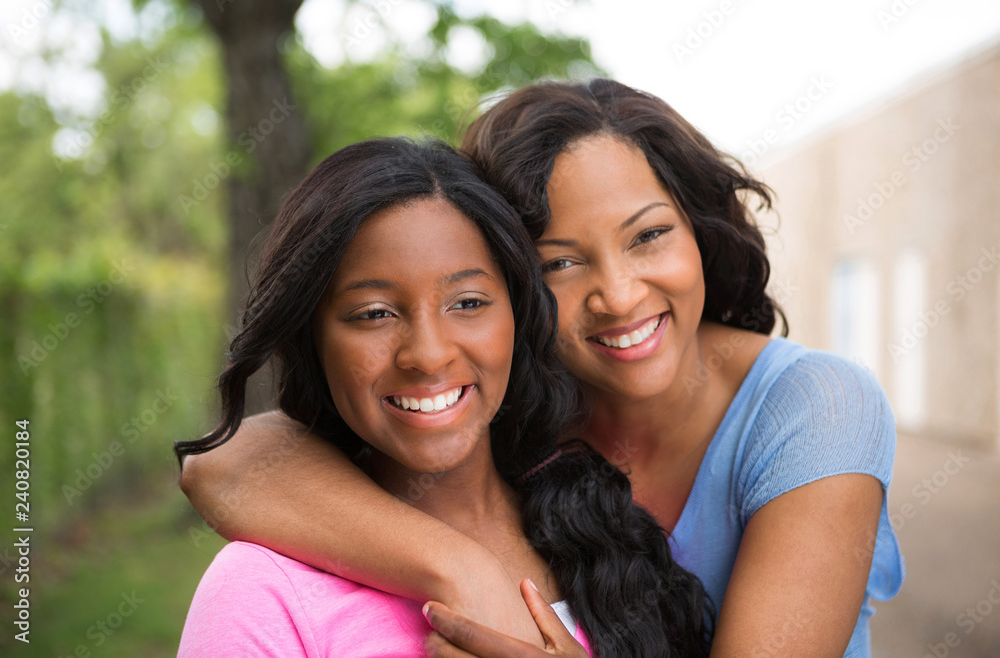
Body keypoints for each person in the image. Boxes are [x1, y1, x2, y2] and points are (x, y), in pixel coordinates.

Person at [180, 79, 904, 657]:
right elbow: (228, 463)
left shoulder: (814, 407)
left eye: (648, 235)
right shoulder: (526, 419)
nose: (619, 295)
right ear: (524, 290)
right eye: (560, 260)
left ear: (698, 230)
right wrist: (462, 568)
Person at [176, 137, 713, 657]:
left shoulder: (613, 533)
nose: (428, 356)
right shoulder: (261, 593)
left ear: (518, 317)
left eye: (468, 302)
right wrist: (460, 567)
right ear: (313, 340)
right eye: (374, 314)